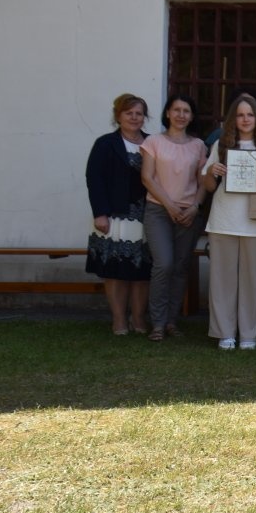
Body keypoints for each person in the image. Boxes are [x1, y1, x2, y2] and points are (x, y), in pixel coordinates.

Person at [200, 94, 256, 350]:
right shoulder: (222, 145)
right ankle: (224, 332)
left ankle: (249, 334)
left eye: (250, 114)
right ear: (233, 119)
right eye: (240, 115)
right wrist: (212, 171)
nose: (245, 119)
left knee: (251, 280)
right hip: (223, 219)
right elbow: (208, 185)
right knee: (222, 280)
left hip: (255, 221)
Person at [140, 94, 207, 342]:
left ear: (191, 116)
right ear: (167, 113)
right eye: (176, 110)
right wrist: (169, 205)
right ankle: (157, 323)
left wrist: (195, 207)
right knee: (164, 264)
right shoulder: (153, 142)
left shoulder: (199, 145)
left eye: (186, 111)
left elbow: (203, 182)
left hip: (188, 214)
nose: (181, 115)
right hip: (159, 210)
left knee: (180, 267)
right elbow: (147, 177)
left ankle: (170, 321)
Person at [85, 93, 152, 336]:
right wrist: (100, 213)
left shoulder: (152, 143)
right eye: (128, 113)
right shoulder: (105, 143)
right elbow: (95, 179)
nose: (134, 118)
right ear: (118, 116)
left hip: (147, 216)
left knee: (142, 271)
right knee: (115, 271)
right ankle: (119, 319)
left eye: (139, 113)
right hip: (114, 216)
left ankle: (139, 319)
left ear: (144, 117)